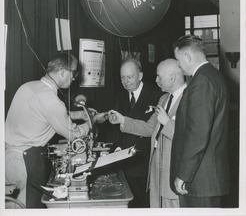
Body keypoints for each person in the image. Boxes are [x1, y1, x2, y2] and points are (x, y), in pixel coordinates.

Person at [5, 52, 91, 208]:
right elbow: (74, 134)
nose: (74, 78)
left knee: (11, 206)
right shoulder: (51, 101)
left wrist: (78, 114)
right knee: (27, 207)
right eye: (74, 72)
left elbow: (44, 115)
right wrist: (92, 122)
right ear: (63, 72)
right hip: (25, 161)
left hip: (7, 158)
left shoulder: (28, 86)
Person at [109, 59, 186, 208]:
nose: (156, 80)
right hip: (155, 166)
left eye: (159, 76)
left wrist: (167, 122)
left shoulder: (179, 97)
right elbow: (150, 128)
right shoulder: (164, 98)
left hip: (166, 168)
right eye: (122, 78)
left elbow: (190, 137)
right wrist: (121, 123)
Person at [170, 35, 230, 207]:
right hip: (208, 178)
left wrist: (183, 175)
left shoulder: (201, 81)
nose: (178, 65)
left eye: (178, 60)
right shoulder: (214, 76)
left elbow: (197, 134)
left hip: (199, 181)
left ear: (188, 57)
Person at [106, 58, 162, 208]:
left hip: (143, 162)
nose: (125, 81)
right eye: (122, 77)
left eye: (129, 77)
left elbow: (150, 129)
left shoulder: (156, 95)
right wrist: (117, 149)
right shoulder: (120, 96)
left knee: (144, 204)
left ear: (140, 76)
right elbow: (116, 129)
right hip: (124, 162)